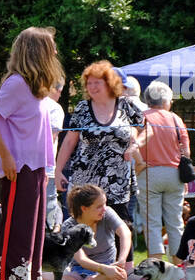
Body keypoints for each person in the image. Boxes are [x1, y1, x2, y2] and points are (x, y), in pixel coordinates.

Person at [0, 28, 60, 280]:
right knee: (17, 234)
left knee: (35, 234)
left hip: (38, 169)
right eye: (51, 48)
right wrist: (6, 156)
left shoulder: (36, 88)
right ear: (37, 51)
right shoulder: (15, 84)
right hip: (19, 170)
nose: (55, 53)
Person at [56, 60, 143, 223]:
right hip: (86, 183)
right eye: (89, 83)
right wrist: (58, 169)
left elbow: (145, 127)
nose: (92, 87)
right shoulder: (82, 108)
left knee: (120, 227)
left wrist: (135, 142)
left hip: (117, 181)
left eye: (97, 83)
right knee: (82, 230)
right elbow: (69, 141)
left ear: (110, 83)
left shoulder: (125, 105)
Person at [134, 81, 190, 260]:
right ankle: (180, 267)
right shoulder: (176, 119)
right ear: (166, 101)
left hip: (149, 173)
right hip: (174, 174)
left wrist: (140, 163)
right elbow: (186, 151)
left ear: (148, 99)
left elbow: (132, 144)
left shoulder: (141, 117)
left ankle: (156, 266)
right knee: (176, 223)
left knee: (152, 223)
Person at [51, 183, 131, 280]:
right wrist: (104, 269)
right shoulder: (68, 227)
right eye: (99, 206)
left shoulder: (107, 213)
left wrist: (122, 260)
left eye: (105, 204)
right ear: (84, 208)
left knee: (120, 276)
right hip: (77, 274)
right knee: (44, 277)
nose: (104, 209)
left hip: (107, 271)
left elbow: (125, 233)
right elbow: (82, 260)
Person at [43, 80, 65, 230]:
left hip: (25, 166)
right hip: (45, 168)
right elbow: (50, 138)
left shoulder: (29, 103)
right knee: (48, 211)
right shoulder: (54, 108)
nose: (60, 95)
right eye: (60, 91)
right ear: (54, 89)